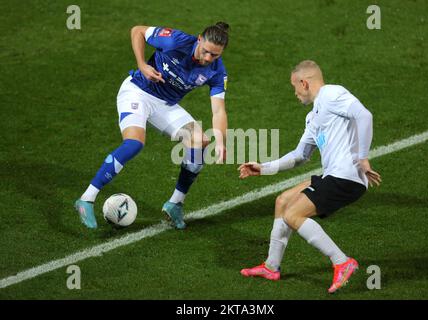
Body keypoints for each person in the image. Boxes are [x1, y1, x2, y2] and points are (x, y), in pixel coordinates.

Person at [238, 60, 381, 293]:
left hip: (347, 177)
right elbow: (299, 156)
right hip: (332, 175)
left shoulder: (331, 94)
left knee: (294, 214)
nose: (295, 93)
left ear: (304, 83)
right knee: (283, 201)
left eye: (294, 86)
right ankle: (271, 266)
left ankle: (342, 262)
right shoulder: (312, 117)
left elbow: (364, 116)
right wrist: (263, 168)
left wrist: (363, 158)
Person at [75, 22, 230, 230]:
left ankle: (175, 203)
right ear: (199, 39)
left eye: (215, 55)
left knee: (200, 141)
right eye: (206, 52)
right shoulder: (176, 40)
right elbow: (137, 30)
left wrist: (221, 142)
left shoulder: (217, 72)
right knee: (134, 143)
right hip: (138, 92)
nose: (208, 58)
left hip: (165, 105)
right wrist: (142, 64)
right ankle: (87, 199)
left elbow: (218, 110)